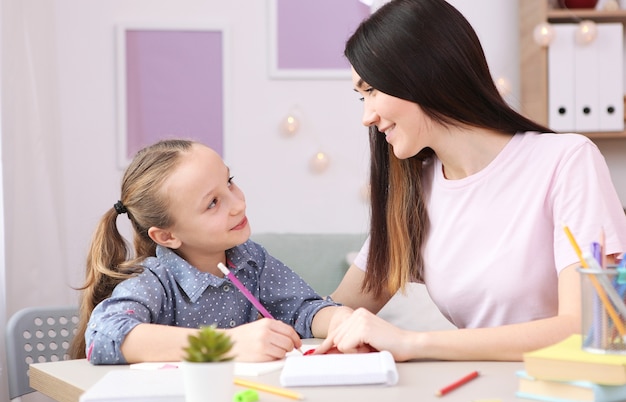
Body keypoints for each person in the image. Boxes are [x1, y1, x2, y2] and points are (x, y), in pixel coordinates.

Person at [315, 0, 626, 361]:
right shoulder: (414, 191)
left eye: (371, 90)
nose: (366, 116)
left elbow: (585, 326)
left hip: (561, 392)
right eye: (361, 96)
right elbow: (333, 311)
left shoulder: (566, 161)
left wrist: (413, 343)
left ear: (420, 74)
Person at [68, 139, 351, 365]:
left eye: (229, 182)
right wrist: (227, 344)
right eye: (213, 203)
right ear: (166, 236)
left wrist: (342, 321)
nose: (238, 204)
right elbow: (103, 336)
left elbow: (302, 310)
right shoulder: (154, 281)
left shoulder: (252, 260)